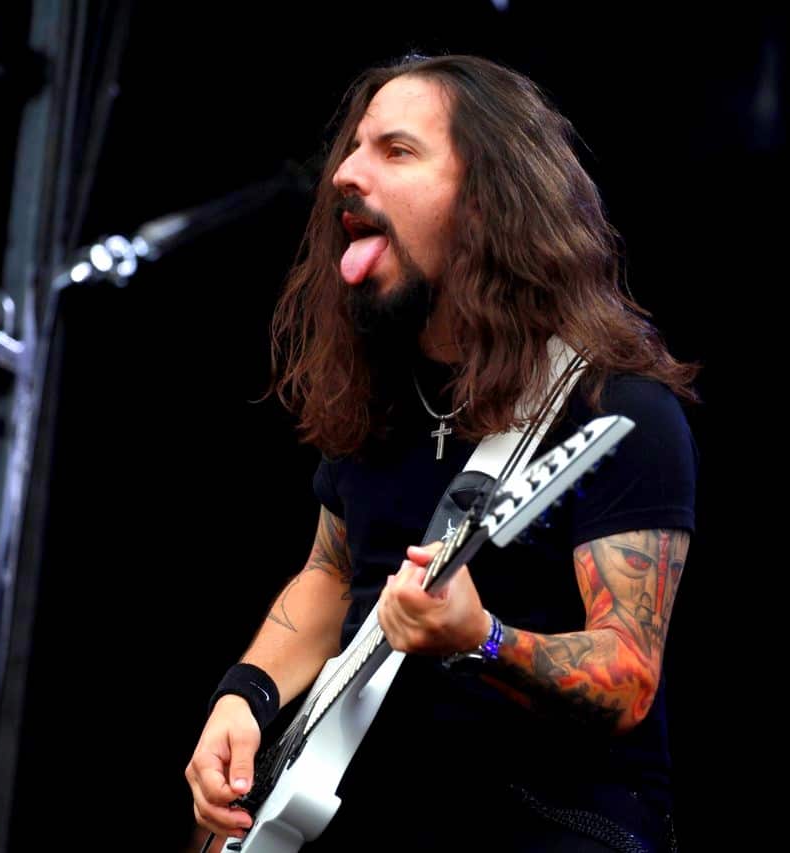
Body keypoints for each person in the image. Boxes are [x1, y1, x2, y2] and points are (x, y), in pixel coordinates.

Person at [185, 53, 699, 852]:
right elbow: (331, 571)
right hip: (372, 808)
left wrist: (482, 637)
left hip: (550, 821)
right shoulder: (383, 393)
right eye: (353, 149)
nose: (345, 175)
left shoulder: (618, 410)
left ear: (489, 199)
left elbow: (628, 673)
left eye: (396, 151)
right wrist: (244, 695)